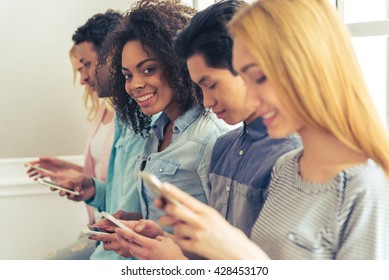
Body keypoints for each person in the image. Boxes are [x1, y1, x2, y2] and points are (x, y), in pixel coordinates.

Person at [154, 0, 389, 260]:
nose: (252, 99)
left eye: (260, 77)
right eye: (245, 78)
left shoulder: (368, 187)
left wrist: (236, 254)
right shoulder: (287, 168)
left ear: (309, 65)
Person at [114, 0, 300, 260]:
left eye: (211, 85)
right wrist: (160, 237)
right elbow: (216, 248)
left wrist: (177, 262)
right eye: (127, 75)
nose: (207, 101)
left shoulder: (290, 158)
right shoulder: (225, 146)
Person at [89, 0, 230, 257]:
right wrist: (135, 223)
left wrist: (144, 245)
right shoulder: (157, 132)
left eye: (148, 69)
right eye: (128, 75)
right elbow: (168, 221)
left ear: (177, 65)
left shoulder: (211, 137)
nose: (135, 85)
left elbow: (224, 245)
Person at [25, 11, 123, 259]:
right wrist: (67, 169)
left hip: (113, 230)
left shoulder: (133, 120)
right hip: (99, 222)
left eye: (86, 65)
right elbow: (107, 172)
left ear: (110, 57)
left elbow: (123, 191)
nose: (82, 79)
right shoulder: (104, 111)